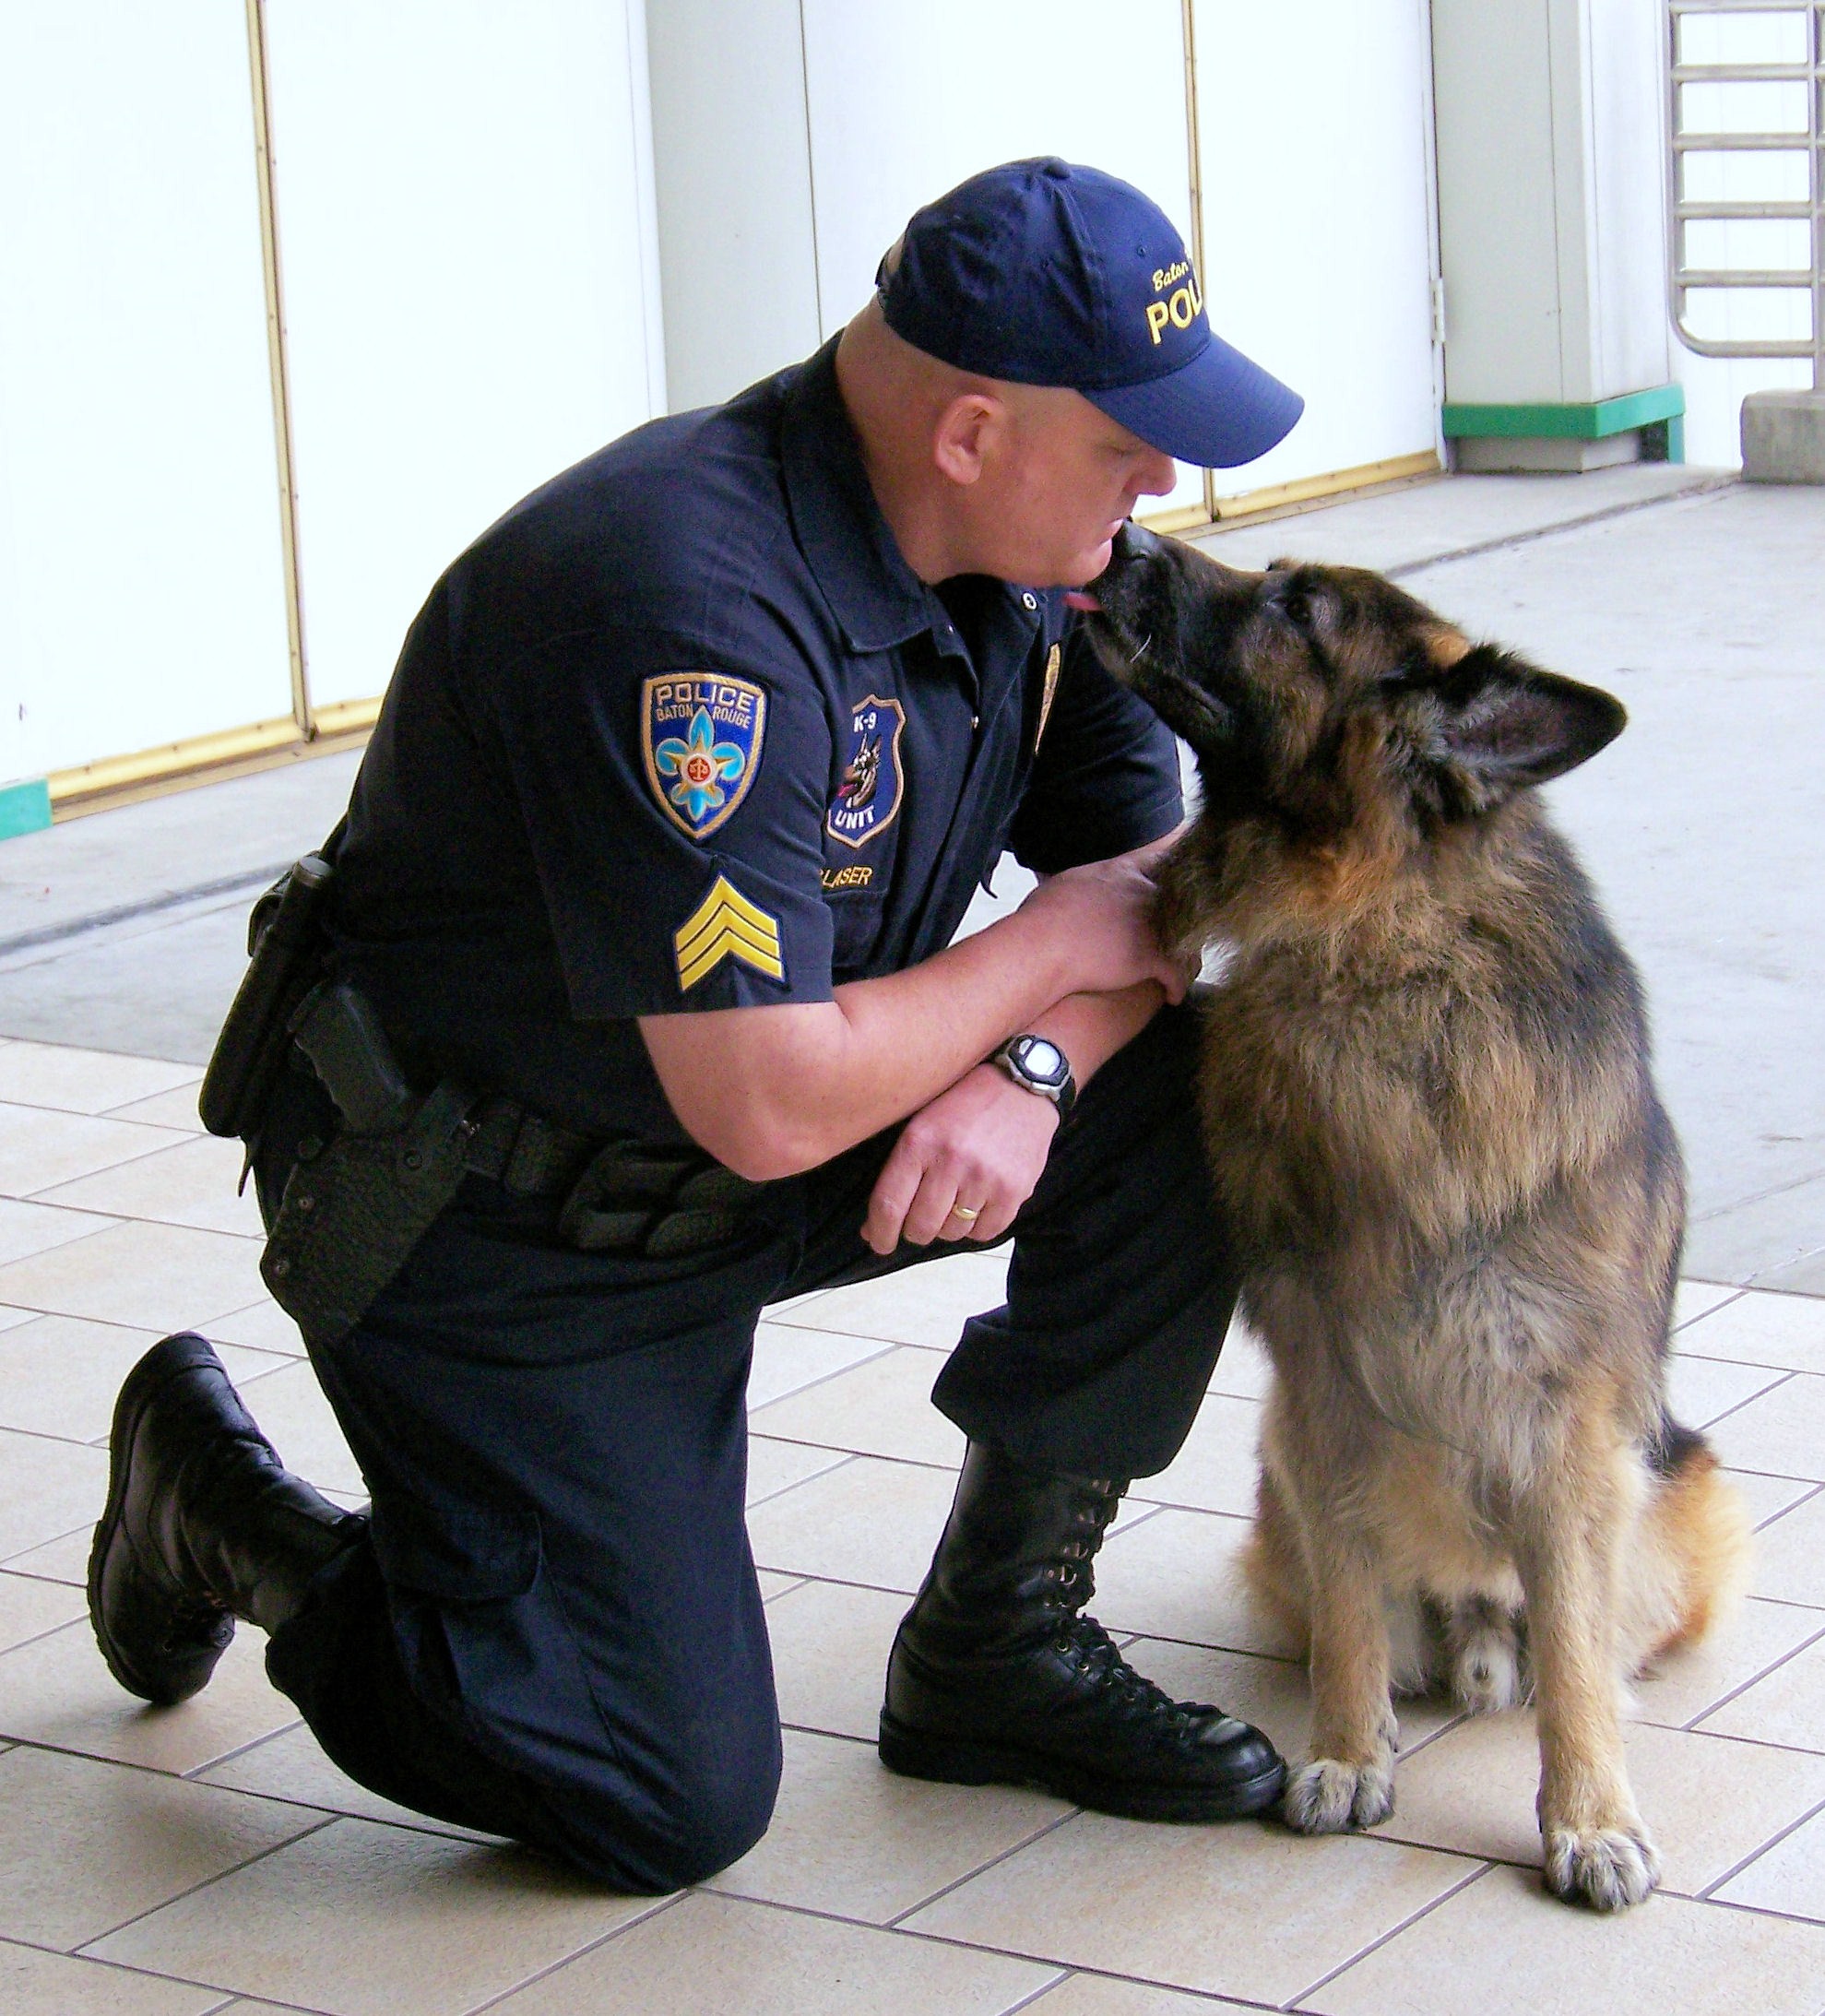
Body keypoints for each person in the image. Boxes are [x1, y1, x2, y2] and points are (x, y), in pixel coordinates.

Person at [89, 158, 1304, 1891]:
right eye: (1128, 442)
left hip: (727, 1148)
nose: (1165, 481)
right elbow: (777, 1094)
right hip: (492, 1221)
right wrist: (1045, 955)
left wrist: (1042, 1063)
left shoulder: (1045, 562)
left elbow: (1154, 890)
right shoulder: (688, 617)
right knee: (665, 1796)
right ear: (969, 432)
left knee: (1203, 1075)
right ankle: (219, 1507)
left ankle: (998, 1647)